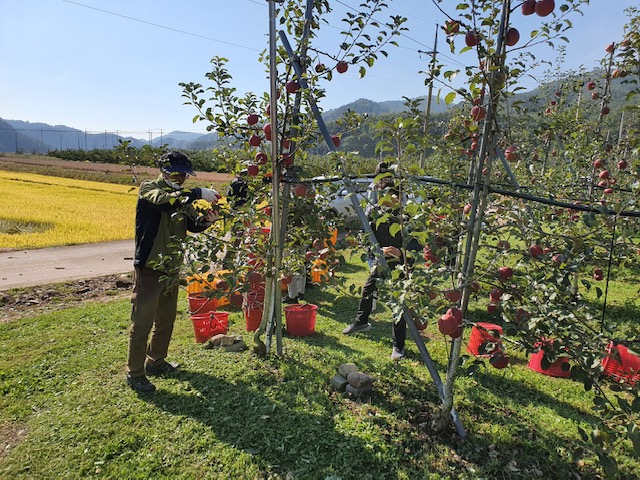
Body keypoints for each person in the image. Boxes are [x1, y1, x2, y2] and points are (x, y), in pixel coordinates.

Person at [126, 151, 221, 393]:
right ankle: (135, 373)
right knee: (142, 322)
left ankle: (156, 361)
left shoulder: (181, 199)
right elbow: (163, 202)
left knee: (166, 319)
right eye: (177, 174)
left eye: (184, 176)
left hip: (171, 268)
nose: (181, 179)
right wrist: (197, 193)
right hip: (150, 266)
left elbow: (191, 225)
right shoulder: (150, 188)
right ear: (165, 171)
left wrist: (208, 220)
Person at [342, 181, 420, 360]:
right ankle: (361, 322)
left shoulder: (407, 217)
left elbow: (417, 243)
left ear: (399, 197)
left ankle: (398, 346)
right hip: (381, 261)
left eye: (394, 195)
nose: (389, 198)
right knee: (368, 290)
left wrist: (401, 253)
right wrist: (378, 251)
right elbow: (365, 239)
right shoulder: (374, 213)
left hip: (401, 264)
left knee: (398, 302)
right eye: (385, 194)